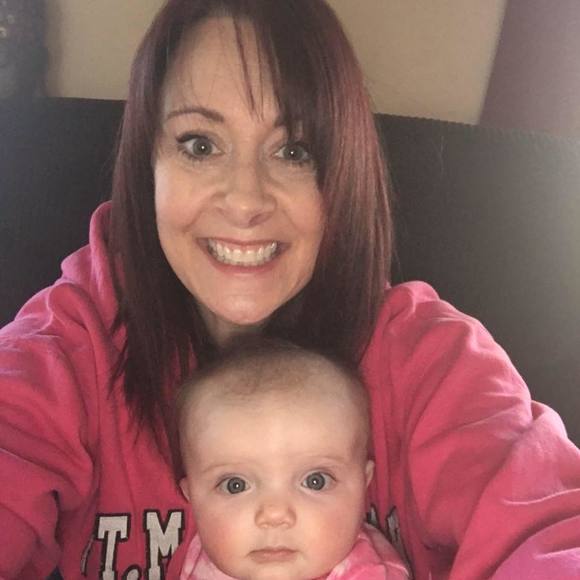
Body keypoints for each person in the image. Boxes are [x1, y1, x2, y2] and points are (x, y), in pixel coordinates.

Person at [0, 0, 579, 578]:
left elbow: (549, 530)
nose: (245, 201)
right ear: (146, 163)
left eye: (294, 150)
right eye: (199, 145)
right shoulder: (64, 352)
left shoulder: (434, 363)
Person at [175, 338, 409, 579]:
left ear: (363, 483)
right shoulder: (205, 560)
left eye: (315, 481)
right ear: (192, 495)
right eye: (235, 485)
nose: (274, 514)